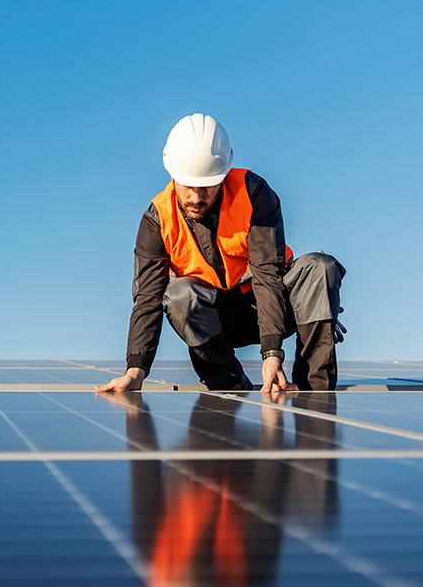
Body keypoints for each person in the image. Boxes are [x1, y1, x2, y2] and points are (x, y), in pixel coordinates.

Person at [97, 113, 345, 393]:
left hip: (273, 303)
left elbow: (267, 273)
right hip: (217, 319)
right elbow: (147, 299)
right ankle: (229, 386)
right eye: (189, 185)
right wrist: (135, 369)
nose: (197, 197)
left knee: (319, 268)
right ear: (172, 174)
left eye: (207, 186)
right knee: (178, 296)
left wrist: (272, 354)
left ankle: (314, 390)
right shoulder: (157, 220)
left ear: (224, 175)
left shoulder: (253, 193)